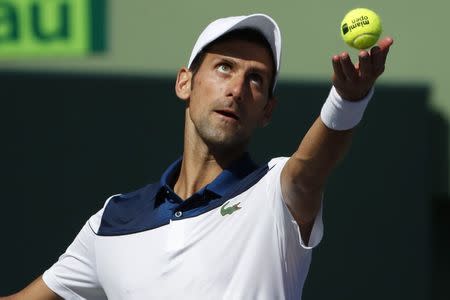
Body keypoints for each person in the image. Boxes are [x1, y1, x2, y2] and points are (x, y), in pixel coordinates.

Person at [2, 13, 393, 300]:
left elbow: (312, 166)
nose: (237, 88)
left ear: (267, 111)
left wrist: (348, 100)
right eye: (225, 67)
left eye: (255, 79)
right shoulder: (111, 221)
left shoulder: (276, 194)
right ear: (185, 82)